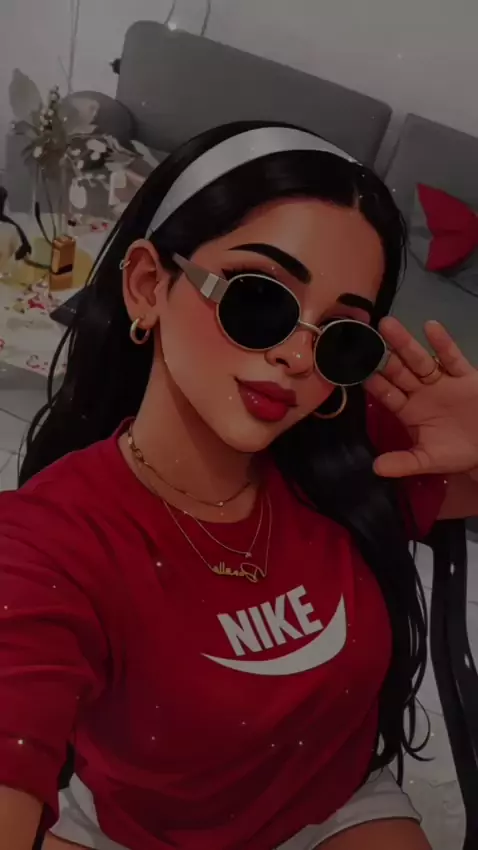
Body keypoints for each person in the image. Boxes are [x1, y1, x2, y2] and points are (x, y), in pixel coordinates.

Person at [1, 121, 477, 850]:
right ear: (148, 285)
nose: (297, 357)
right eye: (260, 301)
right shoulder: (47, 543)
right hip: (135, 833)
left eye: (341, 336)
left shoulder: (357, 458)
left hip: (337, 804)